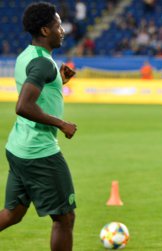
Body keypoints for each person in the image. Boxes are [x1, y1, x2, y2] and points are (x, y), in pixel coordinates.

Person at [0, 2, 77, 251]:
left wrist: (58, 80)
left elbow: (37, 90)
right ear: (45, 31)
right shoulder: (43, 63)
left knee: (12, 214)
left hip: (18, 147)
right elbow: (23, 105)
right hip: (39, 152)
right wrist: (61, 123)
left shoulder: (27, 56)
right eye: (58, 25)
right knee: (64, 218)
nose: (62, 30)